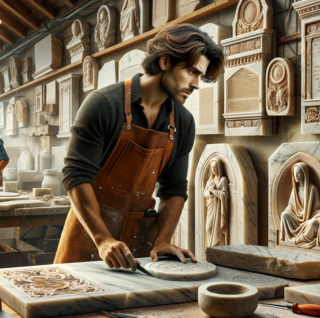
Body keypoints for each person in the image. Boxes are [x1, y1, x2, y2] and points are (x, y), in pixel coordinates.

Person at [55, 24, 226, 271]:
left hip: (140, 247)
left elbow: (174, 189)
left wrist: (163, 239)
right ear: (165, 61)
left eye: (200, 76)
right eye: (191, 72)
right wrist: (103, 240)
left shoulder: (184, 122)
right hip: (88, 237)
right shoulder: (102, 104)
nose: (197, 84)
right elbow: (76, 176)